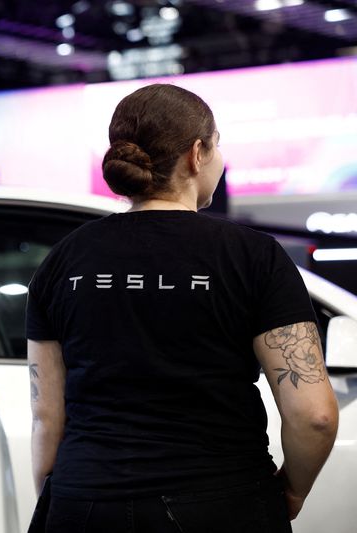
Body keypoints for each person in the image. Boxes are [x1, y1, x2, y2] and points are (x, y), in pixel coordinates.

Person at [26, 84, 339, 532]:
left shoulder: (62, 260)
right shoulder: (253, 257)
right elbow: (315, 415)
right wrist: (293, 488)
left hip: (85, 499)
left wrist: (61, 501)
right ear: (197, 153)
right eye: (218, 146)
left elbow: (46, 417)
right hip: (222, 502)